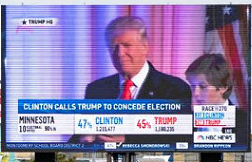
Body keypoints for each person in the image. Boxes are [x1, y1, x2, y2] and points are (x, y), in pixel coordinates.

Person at [79, 15, 192, 146]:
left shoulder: (174, 89)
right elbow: (77, 138)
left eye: (127, 45)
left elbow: (181, 139)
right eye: (114, 47)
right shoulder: (96, 89)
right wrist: (85, 139)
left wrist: (128, 140)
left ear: (145, 47)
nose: (120, 53)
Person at [185, 53, 249, 145]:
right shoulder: (185, 122)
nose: (196, 93)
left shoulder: (244, 123)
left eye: (202, 87)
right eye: (193, 86)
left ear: (223, 87)